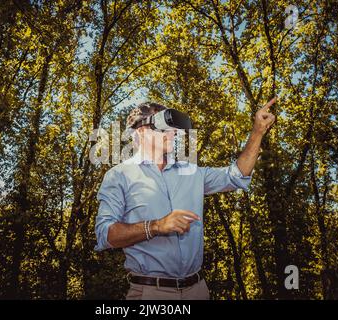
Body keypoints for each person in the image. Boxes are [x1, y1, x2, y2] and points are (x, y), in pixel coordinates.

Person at [95, 98, 276, 300]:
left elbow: (237, 175)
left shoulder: (192, 172)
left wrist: (258, 131)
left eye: (172, 128)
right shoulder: (119, 175)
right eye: (163, 127)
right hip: (151, 295)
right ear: (142, 131)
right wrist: (156, 226)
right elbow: (105, 234)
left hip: (197, 290)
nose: (172, 133)